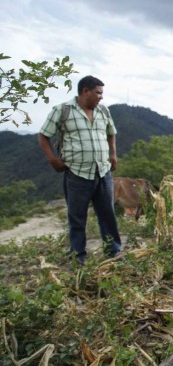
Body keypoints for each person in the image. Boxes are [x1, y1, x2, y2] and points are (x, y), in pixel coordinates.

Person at [38, 75, 121, 265]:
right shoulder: (62, 111)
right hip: (77, 174)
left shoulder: (103, 111)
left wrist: (113, 155)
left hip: (103, 172)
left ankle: (114, 253)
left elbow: (111, 133)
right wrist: (53, 159)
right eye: (98, 93)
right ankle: (78, 258)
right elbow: (43, 136)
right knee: (77, 218)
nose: (101, 97)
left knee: (108, 215)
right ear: (85, 91)